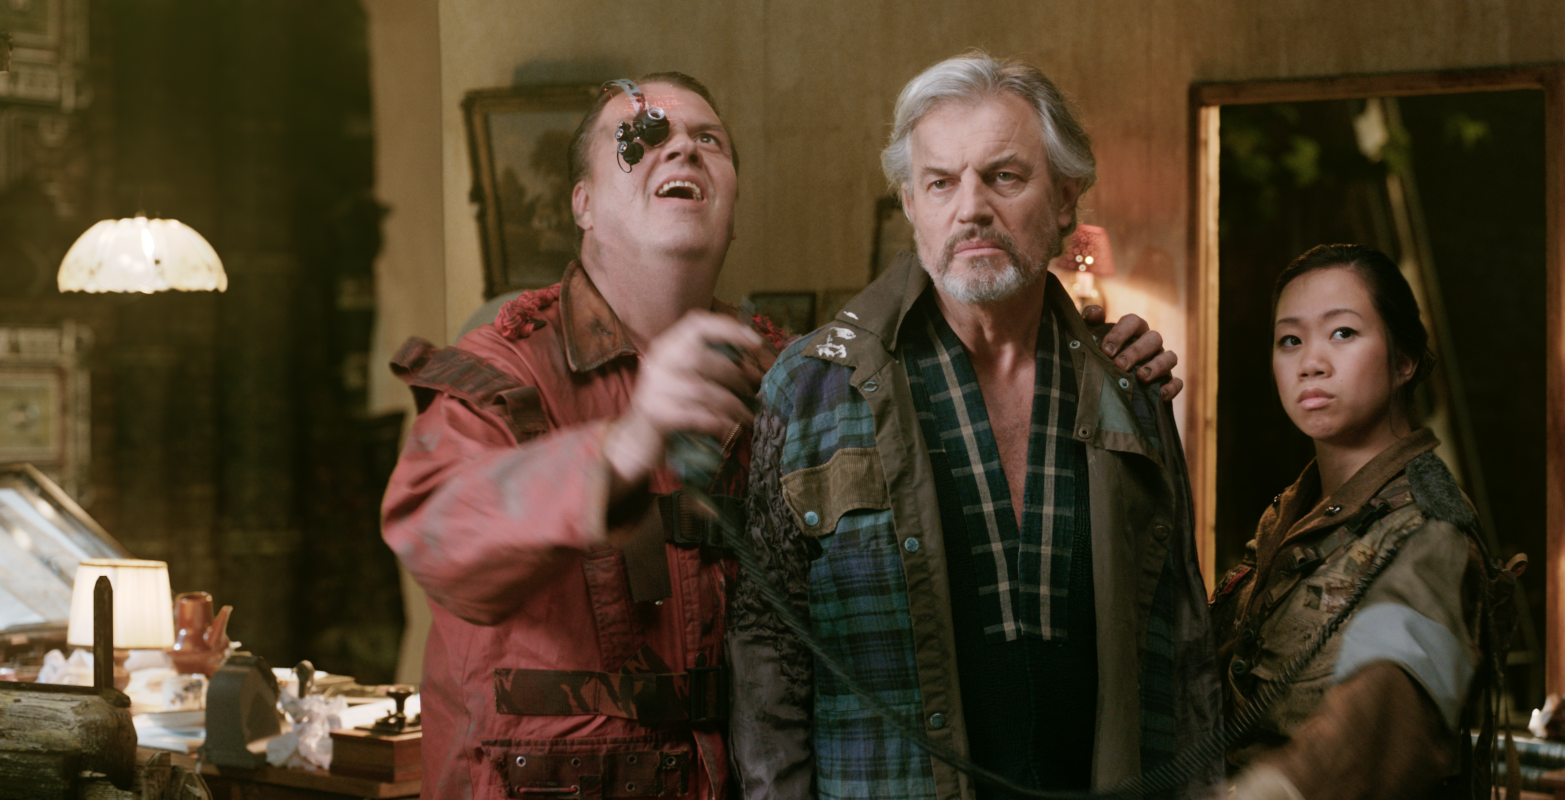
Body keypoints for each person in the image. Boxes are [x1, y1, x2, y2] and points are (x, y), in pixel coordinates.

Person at [381, 72, 1181, 799]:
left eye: (709, 139)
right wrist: (623, 446)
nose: (682, 148)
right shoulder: (506, 363)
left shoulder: (797, 378)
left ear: (732, 204)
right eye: (644, 137)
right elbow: (435, 534)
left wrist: (1095, 357)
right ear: (582, 203)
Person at [728, 51, 1217, 800]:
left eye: (1004, 176)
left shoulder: (1130, 388)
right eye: (941, 182)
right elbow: (767, 646)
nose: (971, 208)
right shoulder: (810, 388)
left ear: (1066, 199)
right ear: (911, 205)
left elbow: (1183, 645)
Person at [1208, 244, 1498, 800]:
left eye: (1342, 333)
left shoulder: (1428, 528)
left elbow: (1394, 696)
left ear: (1403, 361)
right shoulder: (1289, 516)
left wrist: (1280, 787)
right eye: (1290, 340)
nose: (1311, 363)